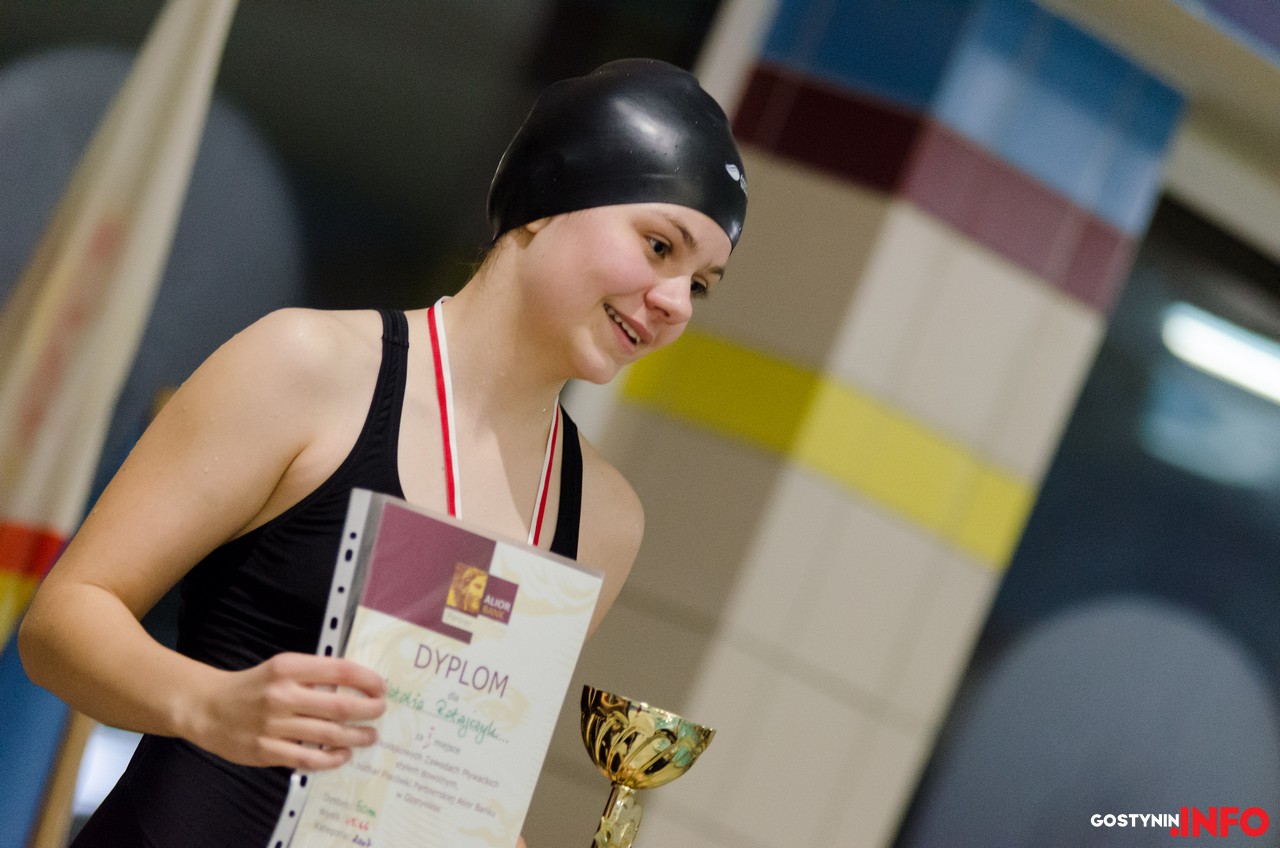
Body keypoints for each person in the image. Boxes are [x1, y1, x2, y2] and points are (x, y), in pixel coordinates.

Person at [18, 57, 746, 847]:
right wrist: (209, 704)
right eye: (659, 246)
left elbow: (453, 792)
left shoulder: (603, 520)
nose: (675, 303)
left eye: (700, 285)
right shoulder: (306, 370)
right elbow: (61, 622)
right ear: (546, 203)